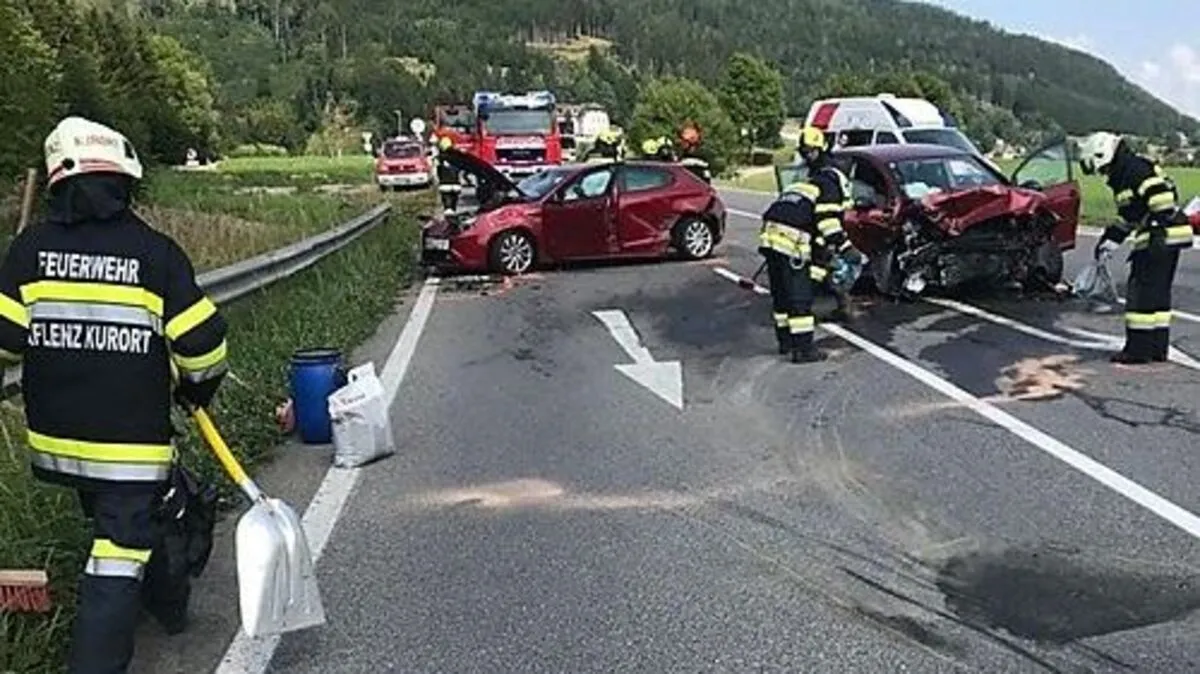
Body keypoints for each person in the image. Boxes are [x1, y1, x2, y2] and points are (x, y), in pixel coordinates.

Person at [0, 116, 229, 673]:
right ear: (125, 179)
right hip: (129, 448)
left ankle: (167, 606)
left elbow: (5, 344)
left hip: (57, 443)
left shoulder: (29, 251)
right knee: (119, 551)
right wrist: (197, 388)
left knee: (126, 519)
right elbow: (204, 344)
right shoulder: (155, 254)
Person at [1079, 131, 1194, 364]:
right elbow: (1130, 216)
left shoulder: (1133, 170)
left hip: (1160, 237)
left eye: (1102, 169)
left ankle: (1138, 350)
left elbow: (1161, 199)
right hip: (1171, 236)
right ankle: (1157, 349)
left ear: (1104, 156)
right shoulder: (1127, 173)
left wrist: (1155, 228)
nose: (1103, 175)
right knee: (1158, 297)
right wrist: (1110, 239)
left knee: (1140, 295)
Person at [758, 182, 833, 363]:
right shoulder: (827, 196)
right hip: (791, 248)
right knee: (799, 300)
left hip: (770, 242)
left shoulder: (797, 189)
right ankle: (804, 351)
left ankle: (786, 343)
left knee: (781, 297)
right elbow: (825, 235)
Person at [796, 125, 860, 322]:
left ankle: (802, 311)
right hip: (830, 230)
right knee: (828, 270)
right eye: (804, 152)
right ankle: (844, 307)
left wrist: (842, 244)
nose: (806, 157)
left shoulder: (826, 177)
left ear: (820, 150)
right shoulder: (824, 171)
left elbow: (826, 216)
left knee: (816, 271)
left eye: (810, 152)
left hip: (827, 232)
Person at [434, 136, 462, 214]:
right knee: (454, 207)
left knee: (447, 208)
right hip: (456, 185)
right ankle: (453, 213)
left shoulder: (439, 158)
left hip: (444, 185)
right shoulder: (456, 157)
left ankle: (448, 218)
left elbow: (436, 172)